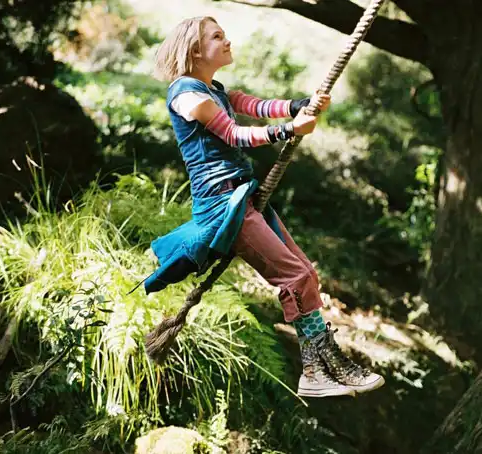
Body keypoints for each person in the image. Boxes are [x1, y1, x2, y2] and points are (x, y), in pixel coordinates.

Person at [148, 16, 384, 398]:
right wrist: (289, 130)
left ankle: (319, 367)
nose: (227, 41)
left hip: (242, 196)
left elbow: (252, 105)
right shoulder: (186, 95)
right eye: (217, 37)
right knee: (294, 277)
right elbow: (234, 134)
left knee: (306, 273)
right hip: (223, 205)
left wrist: (297, 106)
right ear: (195, 51)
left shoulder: (214, 89)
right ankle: (319, 367)